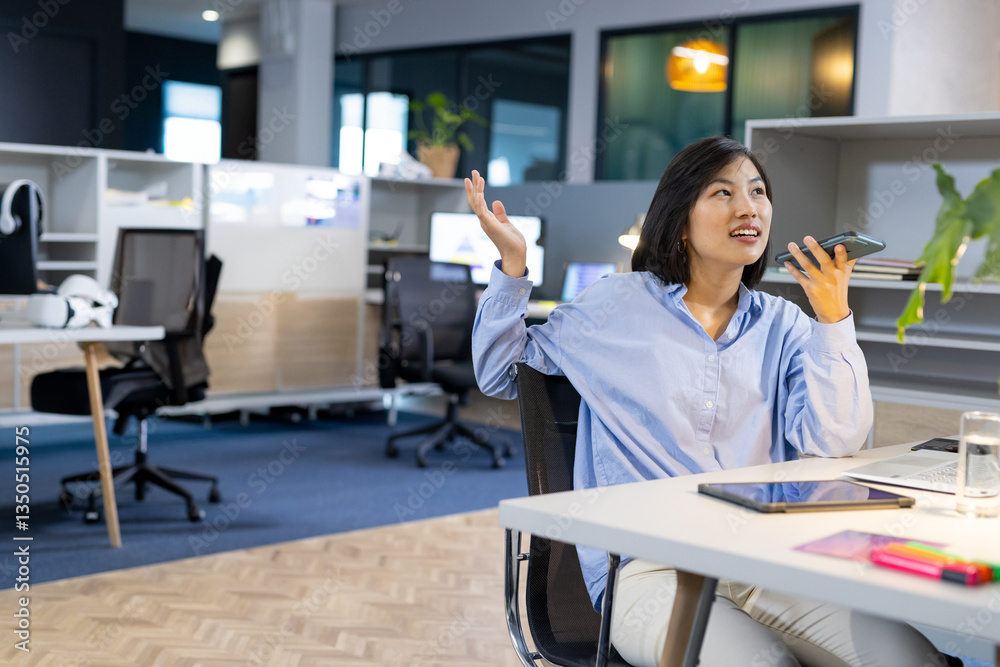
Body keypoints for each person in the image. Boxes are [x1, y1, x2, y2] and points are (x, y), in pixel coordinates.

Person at [467, 137, 955, 667]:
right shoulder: (615, 304)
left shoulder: (785, 323)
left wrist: (833, 318)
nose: (748, 207)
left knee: (912, 661)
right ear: (679, 219)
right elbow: (499, 370)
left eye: (758, 192)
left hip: (765, 558)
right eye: (723, 193)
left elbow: (836, 439)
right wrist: (512, 266)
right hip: (650, 567)